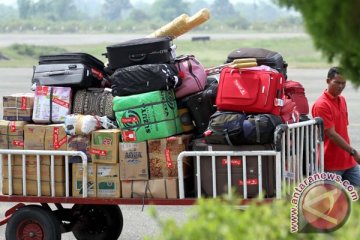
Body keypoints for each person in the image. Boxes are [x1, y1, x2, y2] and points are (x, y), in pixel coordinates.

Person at [312, 67, 360, 187]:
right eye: (337, 83)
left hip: (348, 161)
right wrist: (353, 152)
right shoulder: (321, 105)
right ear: (328, 81)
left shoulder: (342, 100)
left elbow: (343, 130)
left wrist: (351, 155)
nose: (340, 86)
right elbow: (332, 134)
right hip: (331, 164)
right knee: (334, 201)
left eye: (343, 83)